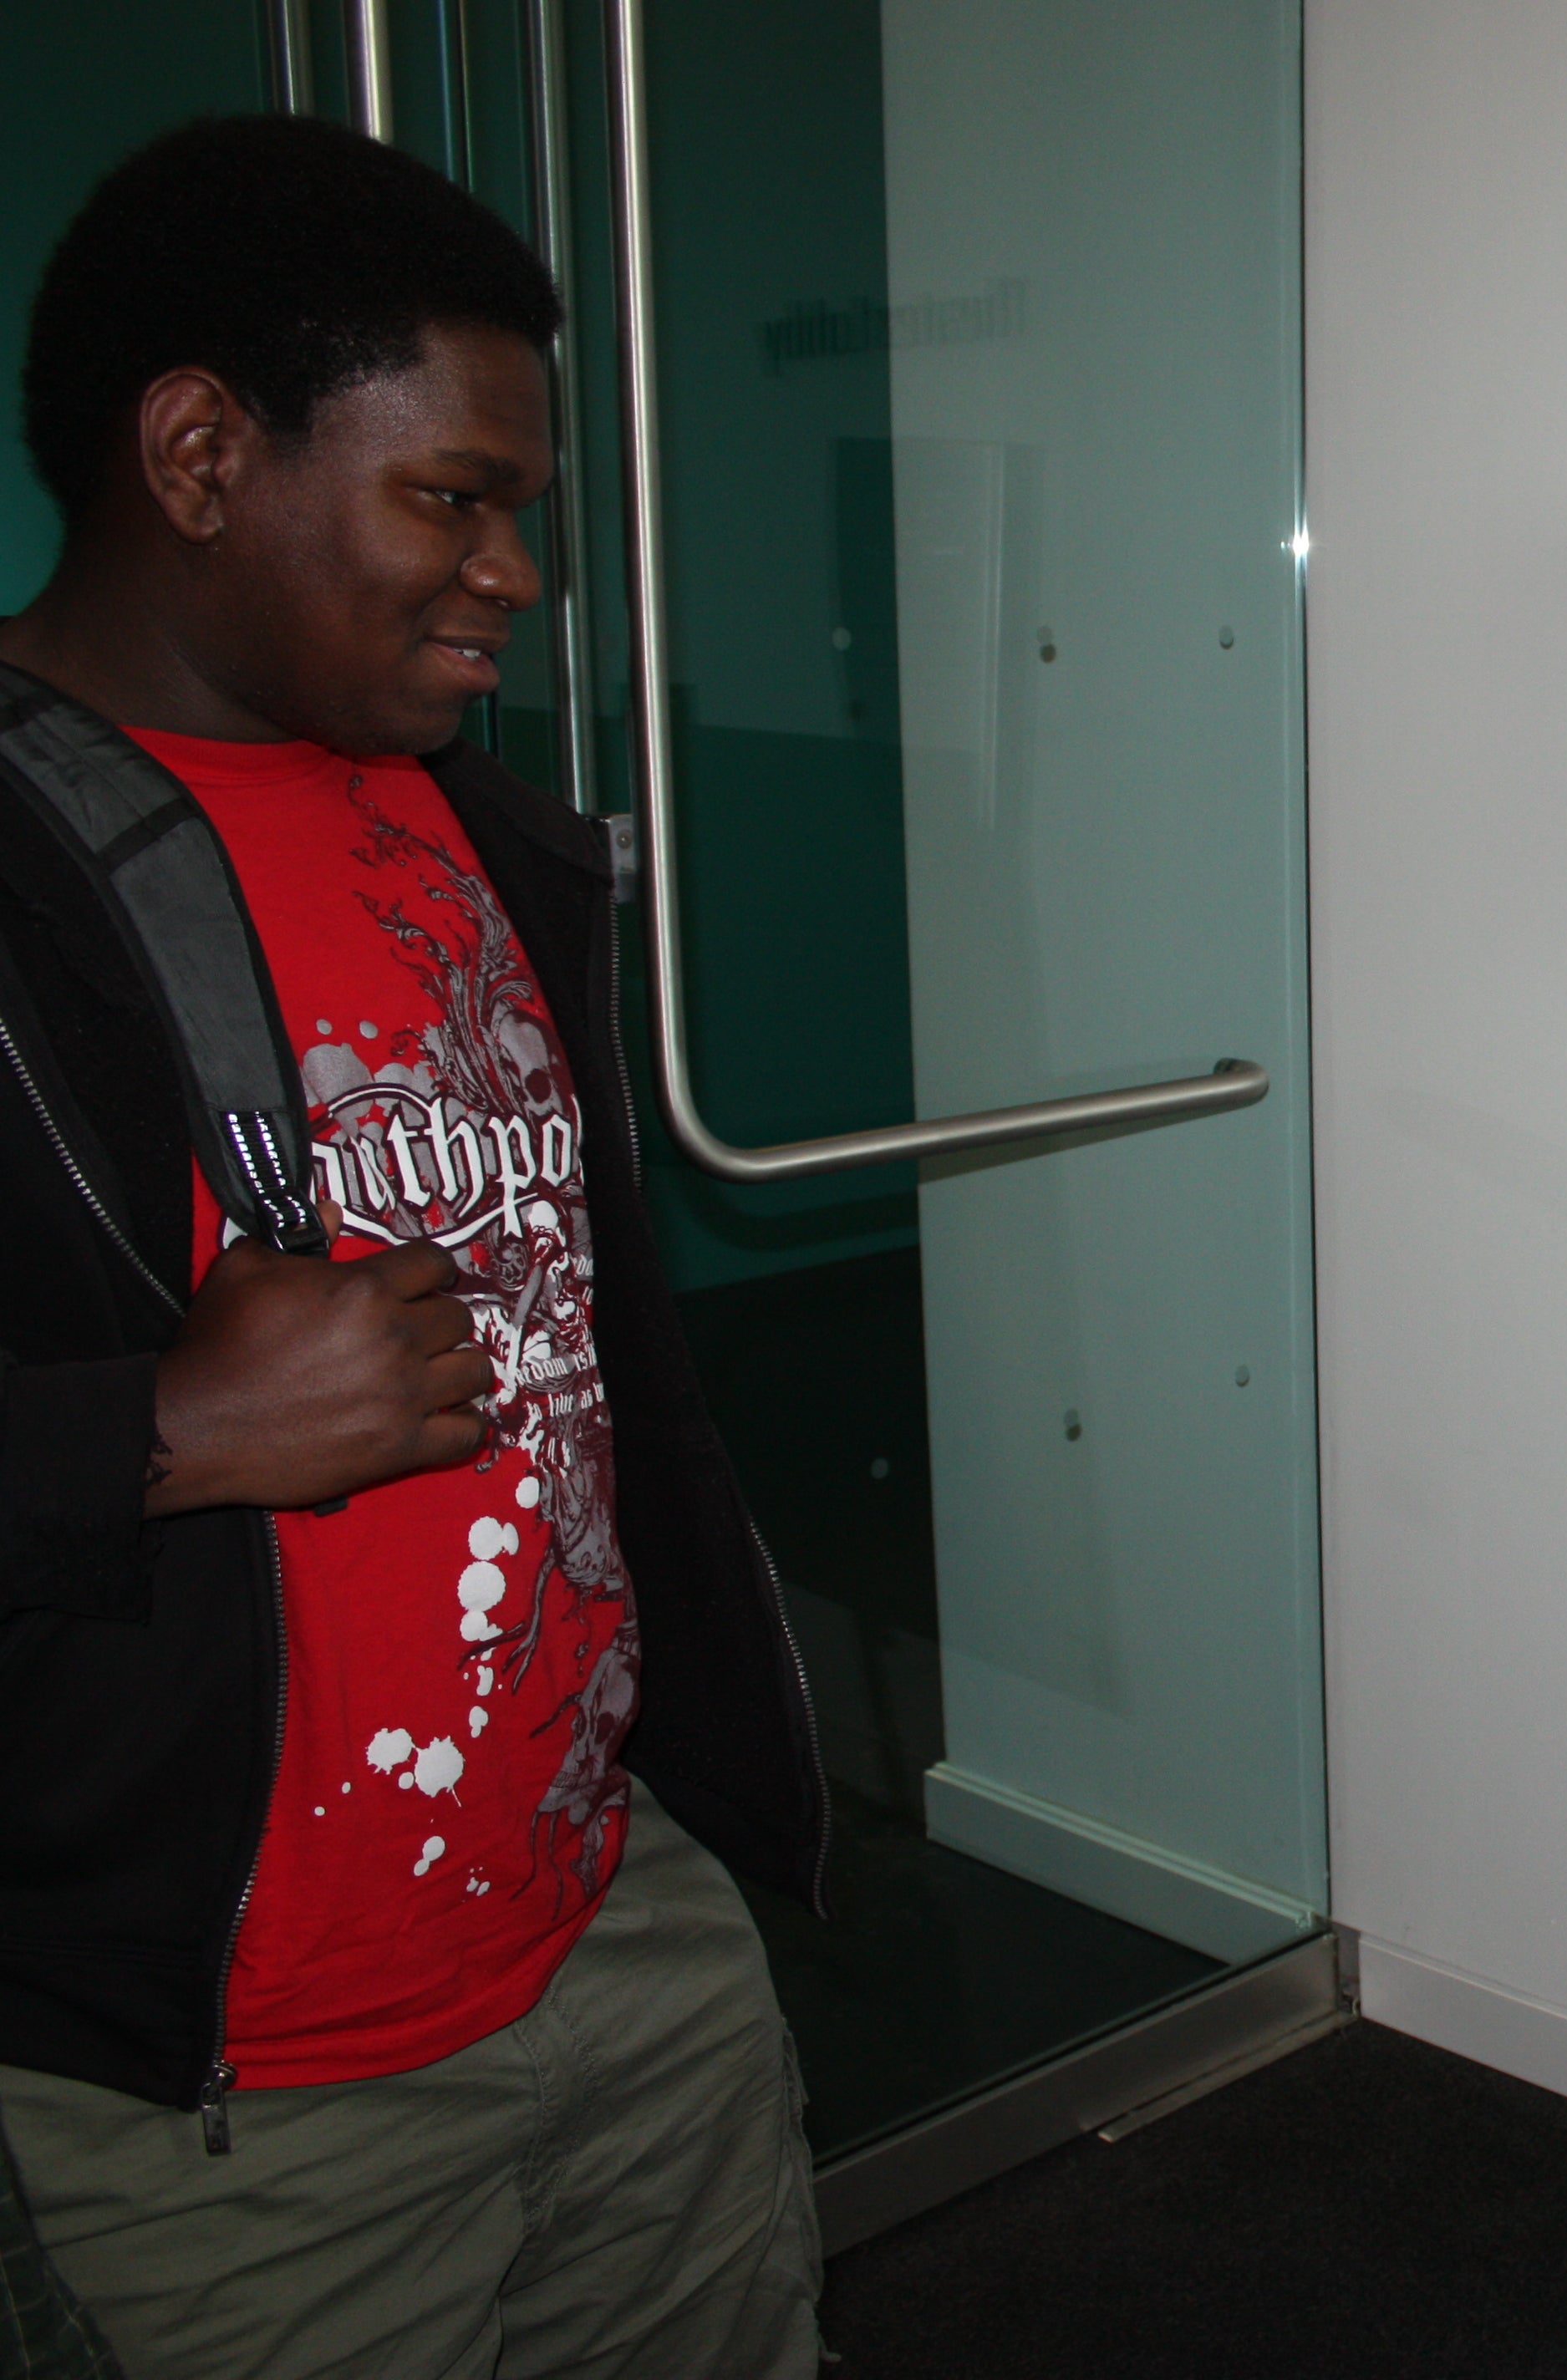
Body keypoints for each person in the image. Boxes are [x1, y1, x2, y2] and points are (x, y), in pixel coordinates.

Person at [0, 118, 822, 2377]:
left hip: (610, 1919)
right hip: (231, 2089)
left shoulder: (467, 816)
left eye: (517, 514)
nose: (512, 581)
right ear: (195, 452)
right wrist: (162, 1434)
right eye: (450, 498)